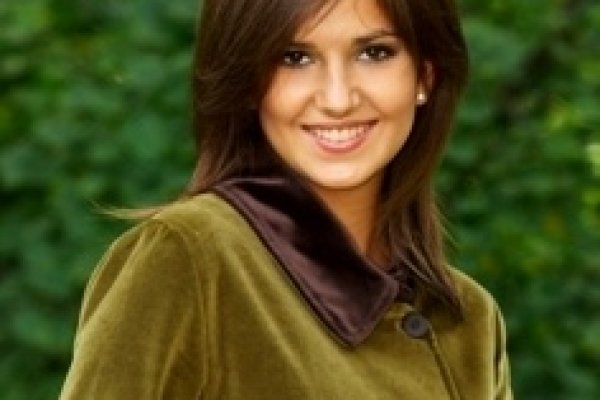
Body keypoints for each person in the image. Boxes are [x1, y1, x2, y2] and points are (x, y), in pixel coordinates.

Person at [60, 0, 512, 399]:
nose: (337, 99)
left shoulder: (471, 320)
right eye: (295, 57)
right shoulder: (188, 257)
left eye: (374, 53)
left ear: (425, 75)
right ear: (248, 83)